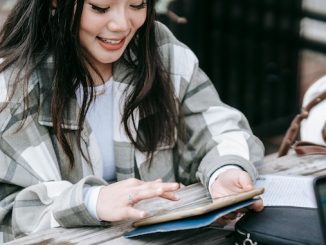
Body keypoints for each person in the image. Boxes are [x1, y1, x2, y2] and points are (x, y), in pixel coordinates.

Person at [0, 0, 264, 242]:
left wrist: (225, 172)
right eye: (100, 8)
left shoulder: (160, 50)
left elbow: (216, 126)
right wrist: (92, 201)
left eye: (136, 4)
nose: (122, 25)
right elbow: (7, 210)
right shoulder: (12, 89)